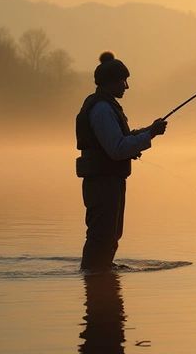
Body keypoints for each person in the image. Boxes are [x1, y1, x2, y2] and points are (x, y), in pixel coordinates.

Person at [76, 51, 167, 272]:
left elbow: (120, 140)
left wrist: (148, 131)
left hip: (108, 180)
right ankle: (93, 277)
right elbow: (117, 149)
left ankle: (102, 272)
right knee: (102, 235)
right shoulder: (102, 109)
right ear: (110, 82)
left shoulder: (106, 106)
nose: (126, 86)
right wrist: (150, 136)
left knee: (112, 234)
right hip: (102, 182)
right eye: (123, 81)